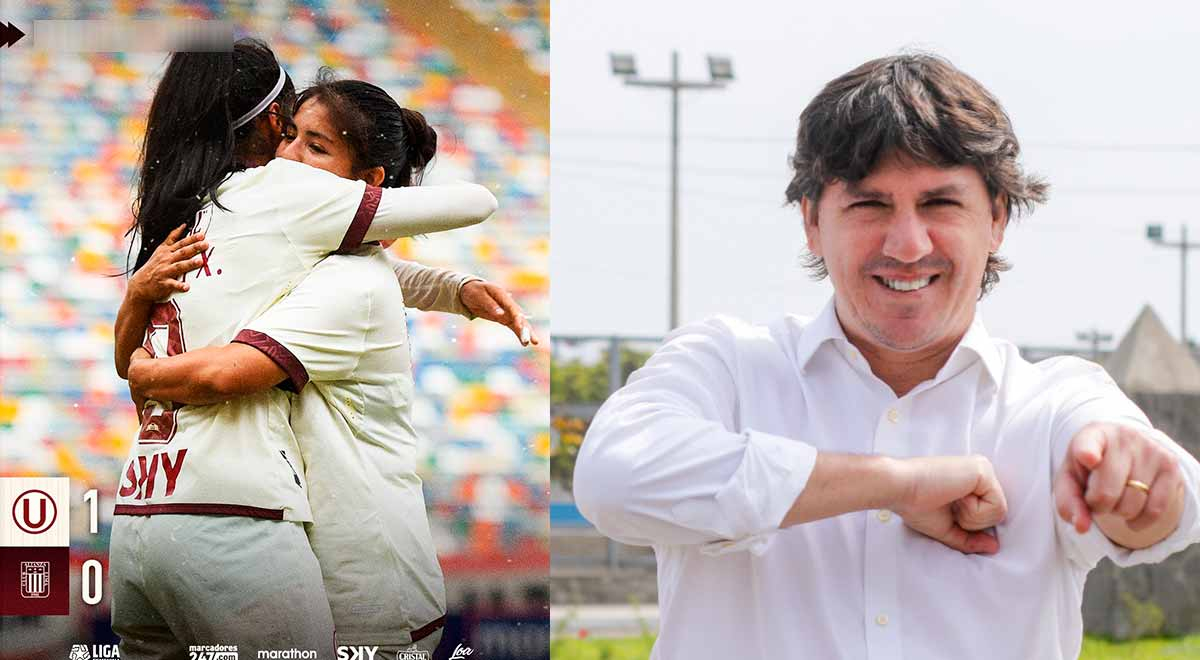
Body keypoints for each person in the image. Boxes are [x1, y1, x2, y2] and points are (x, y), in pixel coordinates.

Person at [573, 52, 1200, 659]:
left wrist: (1141, 490)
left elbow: (1167, 497)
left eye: (940, 204)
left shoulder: (1055, 401)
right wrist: (897, 484)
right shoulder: (728, 366)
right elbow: (611, 476)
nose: (907, 244)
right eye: (870, 205)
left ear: (998, 219)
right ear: (813, 221)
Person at [120, 73, 532, 656]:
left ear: (369, 187)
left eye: (314, 147)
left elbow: (224, 373)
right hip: (324, 559)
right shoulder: (317, 263)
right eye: (288, 135)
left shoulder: (348, 284)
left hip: (371, 588)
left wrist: (144, 372)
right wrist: (450, 288)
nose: (286, 159)